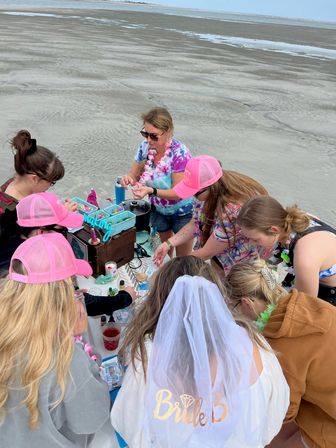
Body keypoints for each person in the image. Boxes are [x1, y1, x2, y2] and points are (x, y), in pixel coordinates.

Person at [111, 256, 289, 447]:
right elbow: (270, 420)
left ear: (160, 305)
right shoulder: (254, 344)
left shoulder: (147, 354)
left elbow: (129, 424)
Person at [0, 232, 111, 447]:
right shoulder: (67, 357)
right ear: (61, 293)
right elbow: (91, 419)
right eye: (73, 285)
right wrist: (77, 340)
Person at [225, 259, 336, 448]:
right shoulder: (305, 302)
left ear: (245, 304)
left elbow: (283, 409)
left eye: (232, 309)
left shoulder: (281, 344)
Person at [15, 191, 136, 318]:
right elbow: (69, 302)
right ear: (40, 232)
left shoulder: (32, 247)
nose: (65, 232)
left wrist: (74, 292)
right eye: (62, 229)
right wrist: (124, 299)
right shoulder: (39, 262)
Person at [154, 155, 269, 274]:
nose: (193, 196)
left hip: (237, 269)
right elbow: (195, 224)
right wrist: (168, 243)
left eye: (195, 193)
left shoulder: (230, 212)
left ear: (211, 187)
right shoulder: (203, 195)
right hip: (218, 258)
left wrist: (171, 267)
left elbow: (206, 253)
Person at [237, 195, 336, 304]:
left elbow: (303, 307)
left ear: (273, 230)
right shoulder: (289, 219)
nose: (251, 243)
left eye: (255, 239)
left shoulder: (305, 257)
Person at [121, 107, 193, 256]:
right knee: (165, 253)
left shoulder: (180, 153)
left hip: (182, 212)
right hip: (158, 210)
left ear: (167, 132)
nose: (148, 140)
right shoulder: (145, 147)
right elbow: (133, 175)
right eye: (145, 133)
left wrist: (151, 191)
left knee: (183, 259)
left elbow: (178, 193)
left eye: (153, 136)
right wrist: (128, 179)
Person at [0, 129, 66, 271]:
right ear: (34, 178)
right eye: (51, 182)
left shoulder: (11, 186)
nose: (50, 187)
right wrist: (62, 217)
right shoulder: (12, 214)